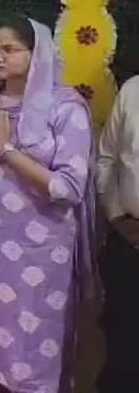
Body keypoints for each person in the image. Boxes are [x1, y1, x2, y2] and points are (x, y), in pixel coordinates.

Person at [0, 15, 96, 393]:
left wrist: (6, 150)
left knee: (29, 342)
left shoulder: (65, 107)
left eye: (9, 49)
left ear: (36, 54)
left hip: (37, 252)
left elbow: (69, 188)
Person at [95, 73, 139, 392]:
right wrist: (117, 217)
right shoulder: (132, 90)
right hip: (128, 240)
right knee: (124, 346)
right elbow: (106, 160)